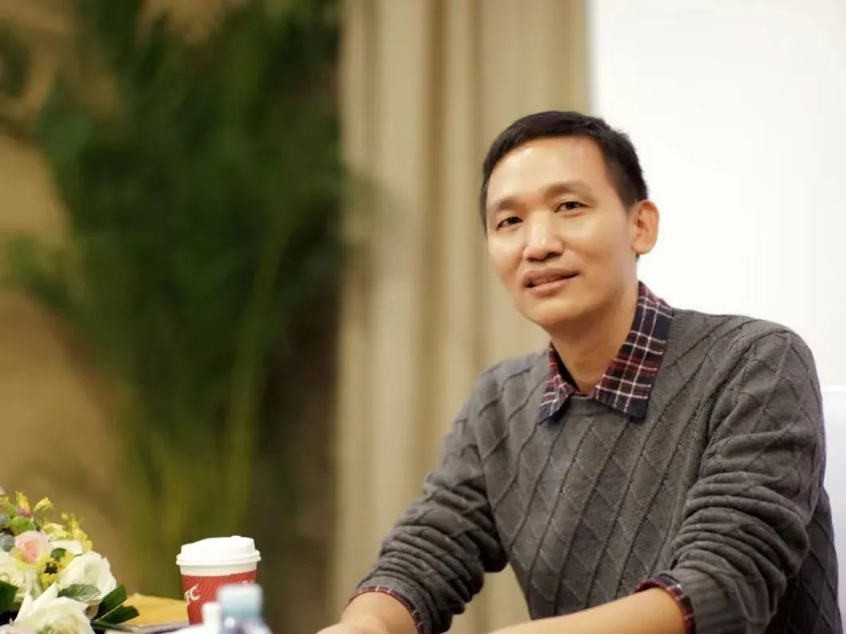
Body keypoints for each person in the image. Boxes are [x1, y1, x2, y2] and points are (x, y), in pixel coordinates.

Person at [319, 111, 841, 634]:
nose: (538, 244)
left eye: (569, 206)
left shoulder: (757, 362)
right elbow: (425, 554)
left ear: (641, 226)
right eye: (509, 222)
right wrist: (366, 625)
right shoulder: (499, 401)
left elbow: (723, 587)